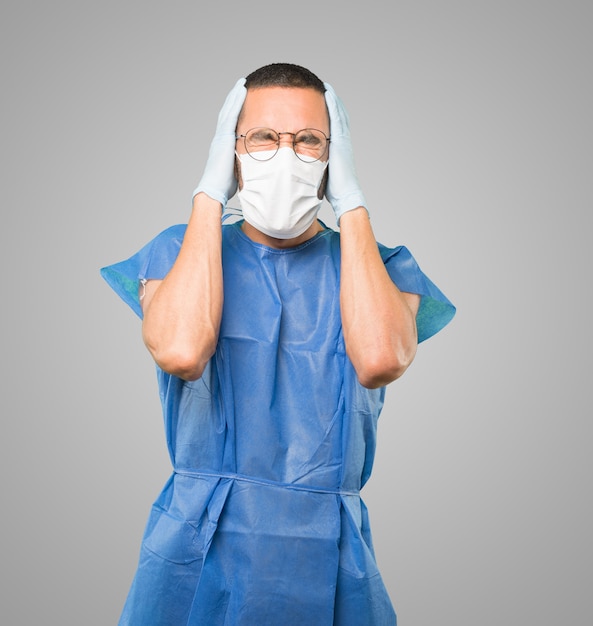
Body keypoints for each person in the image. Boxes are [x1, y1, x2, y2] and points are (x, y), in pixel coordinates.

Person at [101, 62, 455, 626]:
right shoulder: (179, 254)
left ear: (332, 157)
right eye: (263, 138)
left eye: (308, 141)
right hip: (198, 551)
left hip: (328, 551)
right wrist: (209, 193)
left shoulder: (380, 270)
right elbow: (182, 351)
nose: (285, 156)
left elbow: (380, 358)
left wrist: (352, 203)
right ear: (232, 149)